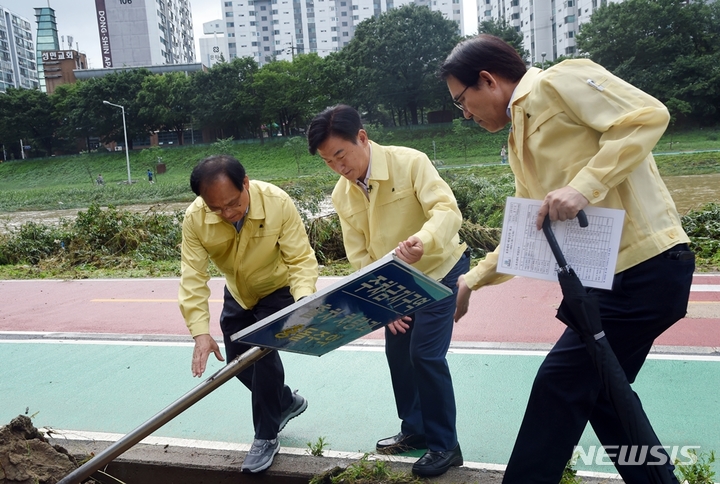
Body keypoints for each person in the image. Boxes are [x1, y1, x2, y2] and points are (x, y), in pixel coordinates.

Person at [440, 35, 695, 483]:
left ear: (489, 80)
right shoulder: (519, 139)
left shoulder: (560, 81)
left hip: (646, 268)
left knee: (559, 385)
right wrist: (471, 280)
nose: (465, 114)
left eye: (463, 100)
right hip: (606, 283)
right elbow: (526, 233)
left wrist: (584, 186)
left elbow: (647, 116)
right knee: (604, 396)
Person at [307, 105, 470, 478]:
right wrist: (384, 304)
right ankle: (415, 429)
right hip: (396, 283)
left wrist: (424, 241)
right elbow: (360, 255)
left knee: (425, 354)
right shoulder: (342, 195)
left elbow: (447, 211)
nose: (337, 167)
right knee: (398, 351)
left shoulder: (410, 162)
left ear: (362, 138)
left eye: (340, 155)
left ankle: (446, 446)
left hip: (441, 270)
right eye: (327, 161)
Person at [178, 154, 318, 473]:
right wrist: (200, 332)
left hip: (276, 287)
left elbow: (300, 260)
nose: (227, 213)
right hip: (239, 292)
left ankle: (266, 436)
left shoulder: (277, 202)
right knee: (236, 364)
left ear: (246, 183)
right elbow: (193, 278)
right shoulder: (195, 219)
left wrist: (305, 302)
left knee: (261, 354)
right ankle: (284, 401)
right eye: (217, 208)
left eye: (232, 203)